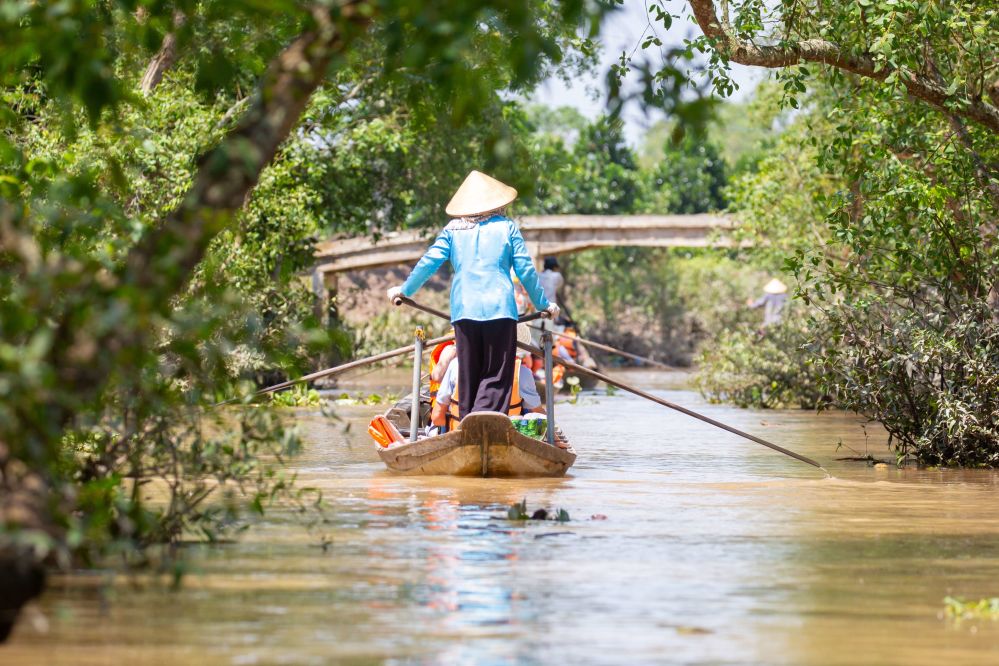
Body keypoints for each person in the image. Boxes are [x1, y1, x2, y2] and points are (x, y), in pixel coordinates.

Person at [388, 170, 558, 422]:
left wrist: (405, 290)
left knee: (468, 375)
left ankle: (468, 422)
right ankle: (483, 422)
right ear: (496, 204)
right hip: (500, 311)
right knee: (496, 376)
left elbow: (428, 262)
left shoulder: (452, 230)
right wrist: (545, 305)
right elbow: (525, 270)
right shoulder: (507, 228)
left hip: (464, 311)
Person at [433, 325, 546, 435]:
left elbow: (437, 418)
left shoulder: (455, 366)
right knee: (537, 420)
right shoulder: (522, 372)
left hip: (462, 437)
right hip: (505, 439)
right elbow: (539, 413)